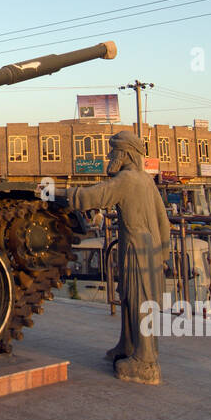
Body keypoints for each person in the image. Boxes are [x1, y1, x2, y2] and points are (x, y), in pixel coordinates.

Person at [69, 131, 172, 384]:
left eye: (113, 151)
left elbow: (93, 196)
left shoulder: (126, 180)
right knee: (128, 294)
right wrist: (163, 253)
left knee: (139, 297)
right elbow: (163, 221)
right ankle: (127, 345)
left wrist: (57, 193)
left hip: (137, 247)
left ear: (125, 153)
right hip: (147, 246)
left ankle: (146, 362)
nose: (109, 155)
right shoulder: (146, 180)